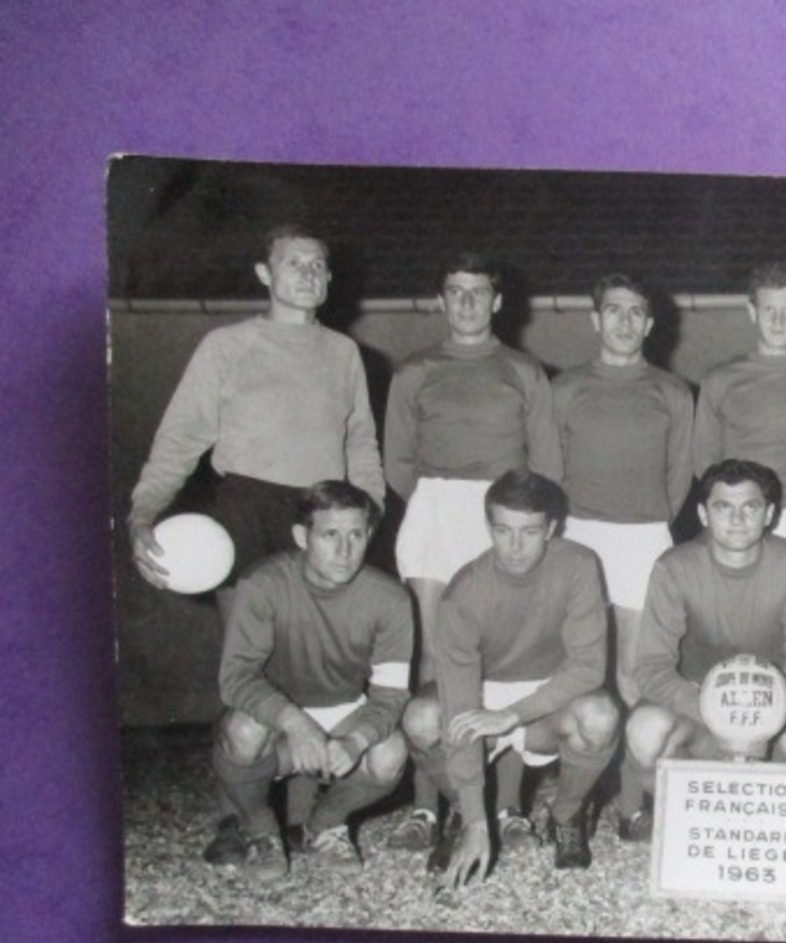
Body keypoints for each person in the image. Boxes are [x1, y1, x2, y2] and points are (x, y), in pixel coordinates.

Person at [382, 253, 562, 852]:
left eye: (478, 292)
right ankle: (429, 809)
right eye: (454, 291)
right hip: (436, 511)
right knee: (435, 664)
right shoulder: (415, 370)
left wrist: (510, 519)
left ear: (497, 300)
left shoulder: (524, 370)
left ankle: (507, 807)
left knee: (503, 662)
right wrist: (448, 504)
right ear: (440, 299)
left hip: (507, 516)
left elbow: (547, 465)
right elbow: (398, 464)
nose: (466, 303)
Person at [127, 226, 385, 619]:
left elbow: (360, 441)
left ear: (330, 278)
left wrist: (370, 510)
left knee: (314, 657)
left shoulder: (344, 352)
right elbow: (179, 440)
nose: (308, 273)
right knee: (247, 659)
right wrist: (143, 514)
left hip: (321, 511)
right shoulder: (225, 346)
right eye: (293, 263)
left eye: (318, 264)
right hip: (244, 511)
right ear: (264, 274)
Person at [400, 471, 618, 885]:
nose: (515, 547)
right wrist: (478, 825)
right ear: (489, 528)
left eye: (530, 532)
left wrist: (513, 715)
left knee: (600, 716)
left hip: (549, 696)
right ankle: (465, 816)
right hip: (483, 690)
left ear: (551, 528)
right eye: (503, 530)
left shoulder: (579, 565)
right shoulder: (465, 591)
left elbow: (589, 666)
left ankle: (567, 814)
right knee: (421, 719)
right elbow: (461, 703)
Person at [205, 481, 412, 880]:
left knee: (389, 754)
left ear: (369, 535)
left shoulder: (391, 599)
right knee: (242, 731)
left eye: (356, 534)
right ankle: (260, 829)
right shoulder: (262, 584)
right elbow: (235, 677)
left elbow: (391, 693)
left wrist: (355, 741)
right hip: (277, 717)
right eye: (330, 535)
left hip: (344, 712)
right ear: (302, 536)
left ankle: (324, 826)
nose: (345, 550)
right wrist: (295, 725)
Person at [618, 460, 786, 841]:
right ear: (703, 513)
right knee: (645, 728)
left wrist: (758, 707)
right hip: (699, 707)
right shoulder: (675, 566)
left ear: (769, 514)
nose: (737, 519)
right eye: (723, 507)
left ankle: (781, 825)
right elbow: (651, 666)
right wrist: (714, 707)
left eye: (749, 507)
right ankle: (695, 824)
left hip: (775, 710)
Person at [551, 273, 694, 706]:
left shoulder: (672, 391)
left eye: (636, 313)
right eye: (614, 311)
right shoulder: (564, 388)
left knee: (636, 671)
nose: (625, 322)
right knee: (576, 668)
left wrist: (647, 520)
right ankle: (574, 769)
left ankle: (638, 772)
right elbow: (548, 468)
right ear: (596, 320)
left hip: (644, 535)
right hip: (578, 534)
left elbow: (680, 473)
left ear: (649, 324)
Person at [694, 263, 786, 602]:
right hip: (741, 518)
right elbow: (705, 459)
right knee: (743, 620)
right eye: (768, 310)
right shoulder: (721, 378)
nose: (778, 321)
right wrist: (739, 510)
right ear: (752, 311)